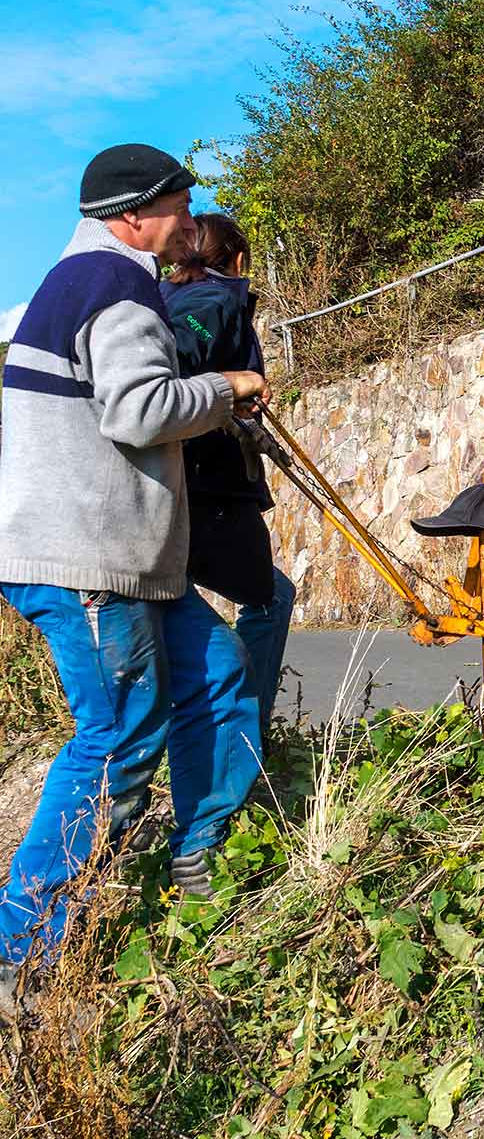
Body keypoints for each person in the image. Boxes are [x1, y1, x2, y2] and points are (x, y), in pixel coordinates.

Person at [0, 145, 269, 984]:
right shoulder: (115, 288)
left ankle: (197, 853)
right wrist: (227, 387)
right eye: (178, 206)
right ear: (131, 217)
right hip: (87, 552)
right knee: (116, 738)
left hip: (122, 554)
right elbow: (139, 410)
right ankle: (22, 953)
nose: (189, 220)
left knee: (218, 672)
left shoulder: (74, 281)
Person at [160, 213, 296, 745]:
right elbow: (177, 358)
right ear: (237, 259)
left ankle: (197, 726)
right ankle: (247, 735)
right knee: (268, 598)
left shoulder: (165, 294)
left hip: (182, 482)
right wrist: (228, 391)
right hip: (206, 485)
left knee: (174, 600)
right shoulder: (211, 301)